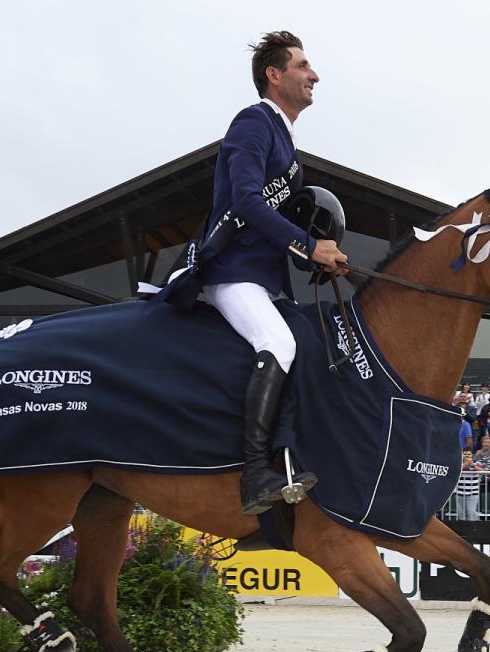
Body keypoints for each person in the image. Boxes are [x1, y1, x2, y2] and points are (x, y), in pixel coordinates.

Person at [180, 31, 345, 515]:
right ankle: (254, 473)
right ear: (274, 75)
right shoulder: (253, 123)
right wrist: (309, 247)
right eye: (302, 66)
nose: (314, 75)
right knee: (278, 342)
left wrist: (316, 256)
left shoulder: (284, 139)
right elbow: (248, 203)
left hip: (266, 279)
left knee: (309, 344)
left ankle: (289, 457)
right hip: (232, 273)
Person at [454, 451, 483, 521]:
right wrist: (465, 464)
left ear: (472, 455)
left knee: (471, 513)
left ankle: (474, 527)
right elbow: (455, 470)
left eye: (469, 454)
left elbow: (482, 471)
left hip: (473, 493)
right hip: (459, 493)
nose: (467, 456)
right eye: (465, 454)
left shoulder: (477, 463)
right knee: (461, 514)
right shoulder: (458, 463)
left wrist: (472, 465)